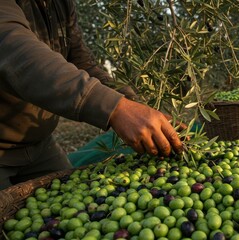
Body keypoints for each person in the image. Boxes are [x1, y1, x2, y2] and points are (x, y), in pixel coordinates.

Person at [0, 0, 184, 190]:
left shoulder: (60, 4)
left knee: (73, 201)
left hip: (39, 145)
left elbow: (81, 62)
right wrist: (115, 108)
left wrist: (133, 106)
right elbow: (16, 52)